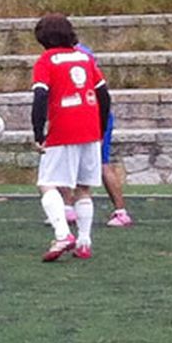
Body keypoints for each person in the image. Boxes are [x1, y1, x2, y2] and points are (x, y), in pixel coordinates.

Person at [31, 14, 111, 262]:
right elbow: (104, 96)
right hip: (90, 129)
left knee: (47, 183)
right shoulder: (85, 59)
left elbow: (41, 97)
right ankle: (84, 242)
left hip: (63, 129)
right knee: (83, 187)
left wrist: (38, 132)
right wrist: (100, 128)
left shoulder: (46, 61)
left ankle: (63, 234)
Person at [70, 39, 134, 228]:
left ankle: (120, 211)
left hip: (91, 114)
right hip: (89, 113)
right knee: (81, 162)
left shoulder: (75, 56)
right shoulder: (81, 53)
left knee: (100, 163)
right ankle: (69, 209)